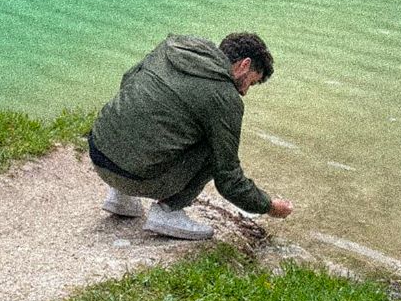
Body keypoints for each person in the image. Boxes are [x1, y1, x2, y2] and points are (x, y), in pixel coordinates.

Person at [88, 32, 294, 240]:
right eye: (250, 82)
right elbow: (228, 179)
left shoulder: (174, 48)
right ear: (244, 65)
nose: (245, 92)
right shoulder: (225, 98)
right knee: (214, 146)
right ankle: (169, 211)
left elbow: (128, 79)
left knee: (149, 109)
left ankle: (120, 196)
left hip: (98, 152)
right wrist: (268, 206)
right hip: (134, 177)